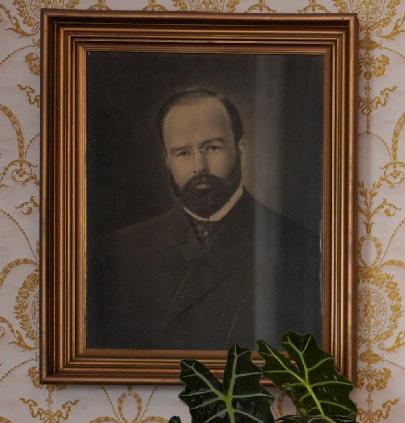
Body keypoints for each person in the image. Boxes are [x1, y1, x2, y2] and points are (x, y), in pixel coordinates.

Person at [89, 87, 320, 350]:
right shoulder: (119, 252)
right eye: (183, 153)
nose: (199, 165)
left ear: (240, 150)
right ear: (167, 161)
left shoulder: (299, 246)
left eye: (212, 147)